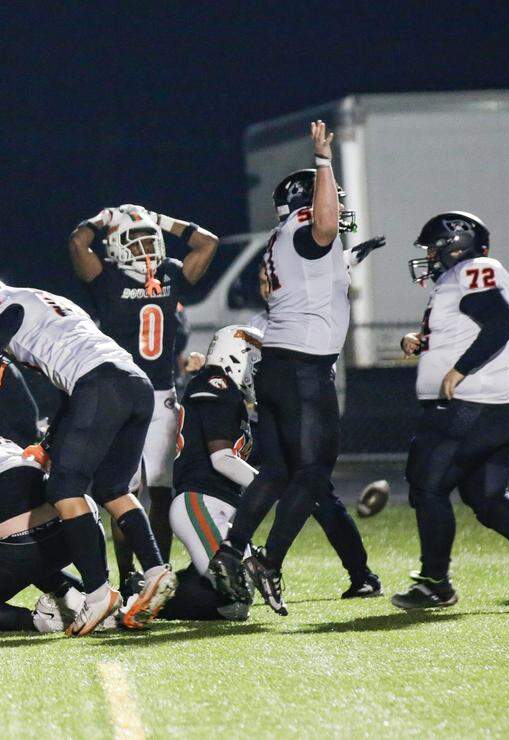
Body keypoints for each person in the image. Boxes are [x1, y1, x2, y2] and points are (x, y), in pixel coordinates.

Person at [0, 280, 175, 635]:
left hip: (99, 384)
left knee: (64, 490)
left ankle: (97, 593)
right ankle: (156, 570)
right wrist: (46, 445)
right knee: (113, 488)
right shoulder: (54, 304)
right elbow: (68, 394)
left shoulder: (2, 304)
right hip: (134, 382)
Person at [209, 121, 358, 616]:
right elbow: (321, 228)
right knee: (313, 475)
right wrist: (323, 161)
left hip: (276, 368)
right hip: (304, 373)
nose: (335, 203)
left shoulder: (278, 240)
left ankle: (232, 550)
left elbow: (310, 279)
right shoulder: (305, 229)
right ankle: (268, 562)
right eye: (329, 195)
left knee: (274, 471)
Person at [392, 212, 509, 610]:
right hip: (496, 408)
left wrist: (460, 369)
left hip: (472, 406)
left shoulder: (476, 269)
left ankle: (435, 583)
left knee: (428, 486)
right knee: (486, 497)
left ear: (458, 245)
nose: (431, 256)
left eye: (435, 247)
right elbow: (466, 329)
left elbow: (499, 323)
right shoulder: (455, 281)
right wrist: (421, 341)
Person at [68, 203, 219, 585]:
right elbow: (77, 242)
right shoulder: (108, 278)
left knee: (162, 492)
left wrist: (162, 220)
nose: (146, 248)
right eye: (135, 240)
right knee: (123, 491)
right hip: (120, 396)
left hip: (163, 394)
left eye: (151, 240)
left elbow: (207, 243)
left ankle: (159, 570)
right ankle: (127, 576)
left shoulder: (167, 273)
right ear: (116, 246)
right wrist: (100, 219)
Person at [250, 255, 383, 599]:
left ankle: (359, 573)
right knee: (312, 493)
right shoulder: (255, 324)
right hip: (263, 423)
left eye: (273, 282)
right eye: (265, 283)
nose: (270, 289)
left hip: (301, 419)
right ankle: (242, 565)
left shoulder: (309, 319)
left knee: (319, 495)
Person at [160, 325, 262, 622]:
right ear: (236, 356)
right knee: (236, 597)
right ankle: (147, 597)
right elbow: (221, 459)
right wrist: (269, 487)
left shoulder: (226, 391)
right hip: (201, 502)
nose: (257, 371)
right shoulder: (217, 383)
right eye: (255, 362)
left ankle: (158, 590)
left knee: (241, 586)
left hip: (218, 506)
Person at [0, 435, 90, 633]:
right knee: (19, 550)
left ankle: (44, 620)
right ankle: (86, 594)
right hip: (77, 520)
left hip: (21, 541)